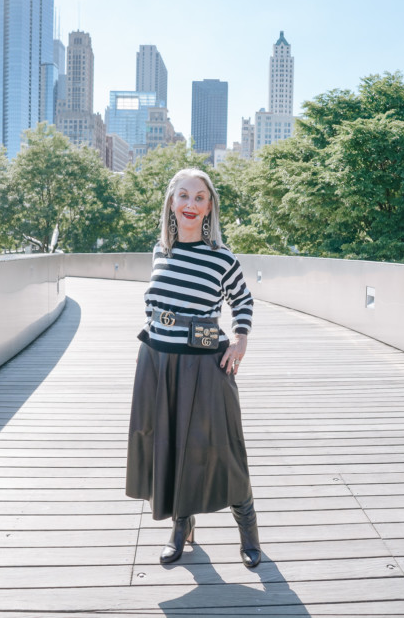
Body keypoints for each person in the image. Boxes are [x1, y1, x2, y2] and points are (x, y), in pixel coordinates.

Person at [125, 167, 261, 568]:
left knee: (222, 449)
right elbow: (154, 308)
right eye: (183, 196)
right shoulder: (159, 251)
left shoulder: (221, 258)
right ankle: (181, 526)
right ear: (171, 202)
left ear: (209, 208)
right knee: (170, 447)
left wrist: (240, 338)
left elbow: (243, 301)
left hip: (205, 366)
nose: (190, 204)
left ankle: (248, 529)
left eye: (199, 198)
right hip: (160, 363)